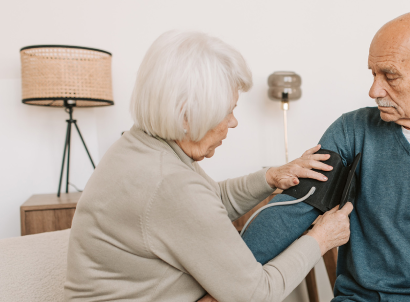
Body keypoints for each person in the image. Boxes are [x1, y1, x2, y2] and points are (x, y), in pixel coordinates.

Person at [242, 12, 410, 301]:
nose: (374, 90)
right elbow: (293, 209)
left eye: (390, 75)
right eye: (373, 73)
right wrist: (225, 279)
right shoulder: (351, 131)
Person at [64, 30, 353, 302]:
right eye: (227, 112)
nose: (233, 122)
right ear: (188, 115)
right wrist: (321, 238)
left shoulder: (142, 144)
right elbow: (257, 294)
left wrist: (270, 177)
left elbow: (210, 200)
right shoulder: (169, 184)